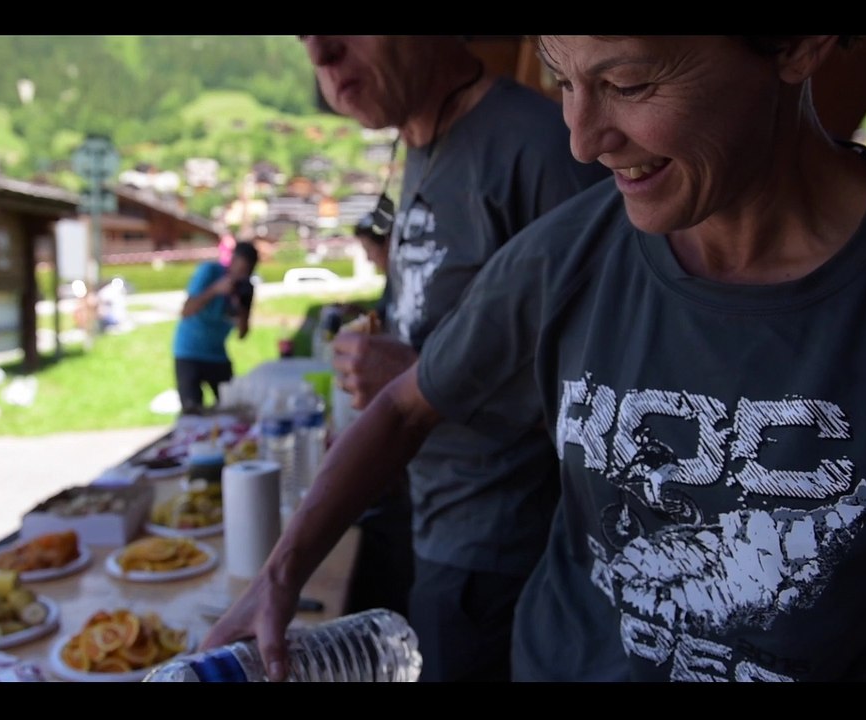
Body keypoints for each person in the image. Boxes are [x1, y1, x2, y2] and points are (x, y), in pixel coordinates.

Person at [205, 35, 866, 682]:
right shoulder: (565, 253)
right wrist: (278, 577)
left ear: (798, 45)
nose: (584, 140)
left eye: (628, 84)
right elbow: (406, 405)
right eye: (563, 80)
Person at [208, 35, 609, 683]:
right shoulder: (422, 144)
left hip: (504, 556)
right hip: (428, 516)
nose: (321, 55)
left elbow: (613, 408)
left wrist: (417, 376)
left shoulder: (542, 149)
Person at [172, 240, 258, 415]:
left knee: (232, 406)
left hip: (217, 355)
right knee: (192, 411)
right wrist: (215, 290)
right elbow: (186, 310)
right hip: (189, 352)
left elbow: (242, 334)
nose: (241, 276)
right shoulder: (210, 272)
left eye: (246, 272)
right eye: (240, 269)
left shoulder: (245, 289)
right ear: (232, 261)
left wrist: (242, 307)